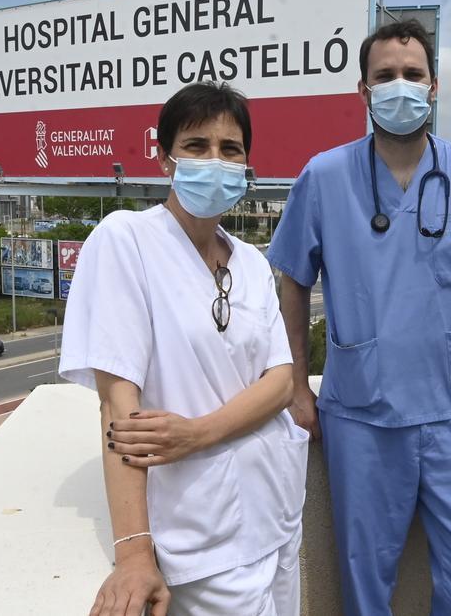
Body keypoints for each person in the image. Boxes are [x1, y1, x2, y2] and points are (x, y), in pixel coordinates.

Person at [267, 19, 451, 615]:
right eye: (386, 76)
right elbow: (293, 281)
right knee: (364, 577)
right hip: (359, 410)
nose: (400, 86)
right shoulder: (324, 176)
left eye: (413, 75)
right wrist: (296, 385)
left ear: (434, 87)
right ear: (363, 90)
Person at [59, 82, 308, 616]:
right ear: (165, 157)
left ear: (246, 164)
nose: (214, 160)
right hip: (201, 532)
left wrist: (198, 432)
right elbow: (117, 406)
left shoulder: (251, 262)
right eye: (196, 146)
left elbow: (282, 381)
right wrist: (133, 554)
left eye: (230, 148)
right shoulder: (125, 241)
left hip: (277, 512)